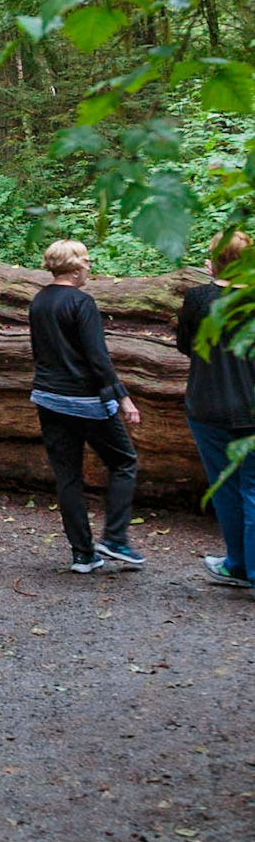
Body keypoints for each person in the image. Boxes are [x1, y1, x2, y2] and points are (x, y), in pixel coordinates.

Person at [28, 239, 144, 573]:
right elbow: (98, 358)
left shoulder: (39, 301)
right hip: (86, 401)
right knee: (123, 461)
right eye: (87, 262)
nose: (90, 267)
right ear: (76, 267)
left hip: (48, 398)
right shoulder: (82, 302)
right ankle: (115, 539)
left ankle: (82, 554)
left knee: (67, 476)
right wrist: (123, 397)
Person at [178, 230, 255, 591]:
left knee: (226, 488)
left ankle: (237, 565)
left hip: (207, 405)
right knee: (253, 489)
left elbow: (185, 346)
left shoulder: (197, 299)